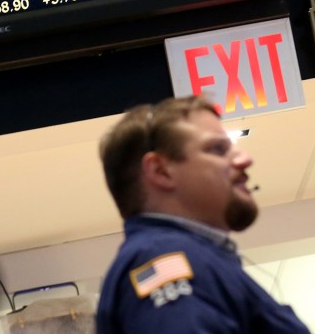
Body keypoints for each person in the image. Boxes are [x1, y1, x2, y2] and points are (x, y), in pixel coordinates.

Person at [96, 96, 309, 332]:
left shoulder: (194, 259)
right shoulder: (165, 259)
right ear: (160, 171)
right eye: (218, 149)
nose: (245, 159)